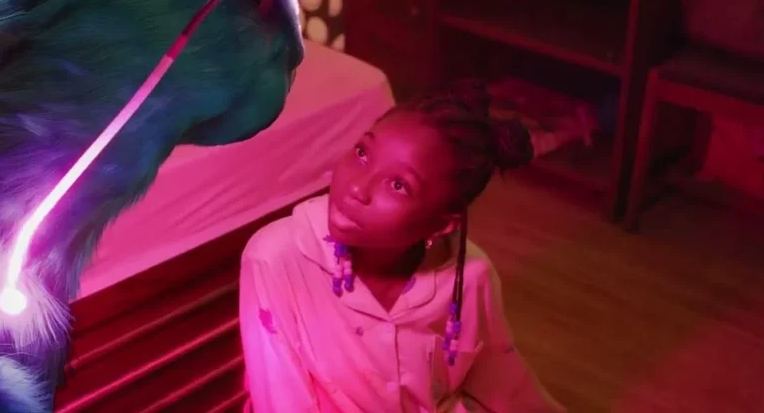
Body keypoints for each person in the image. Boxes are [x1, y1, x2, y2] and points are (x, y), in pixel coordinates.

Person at [239, 80, 565, 412]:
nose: (357, 189)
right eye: (362, 153)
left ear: (443, 224)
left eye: (398, 185)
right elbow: (282, 402)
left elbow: (502, 381)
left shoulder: (470, 274)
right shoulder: (276, 258)